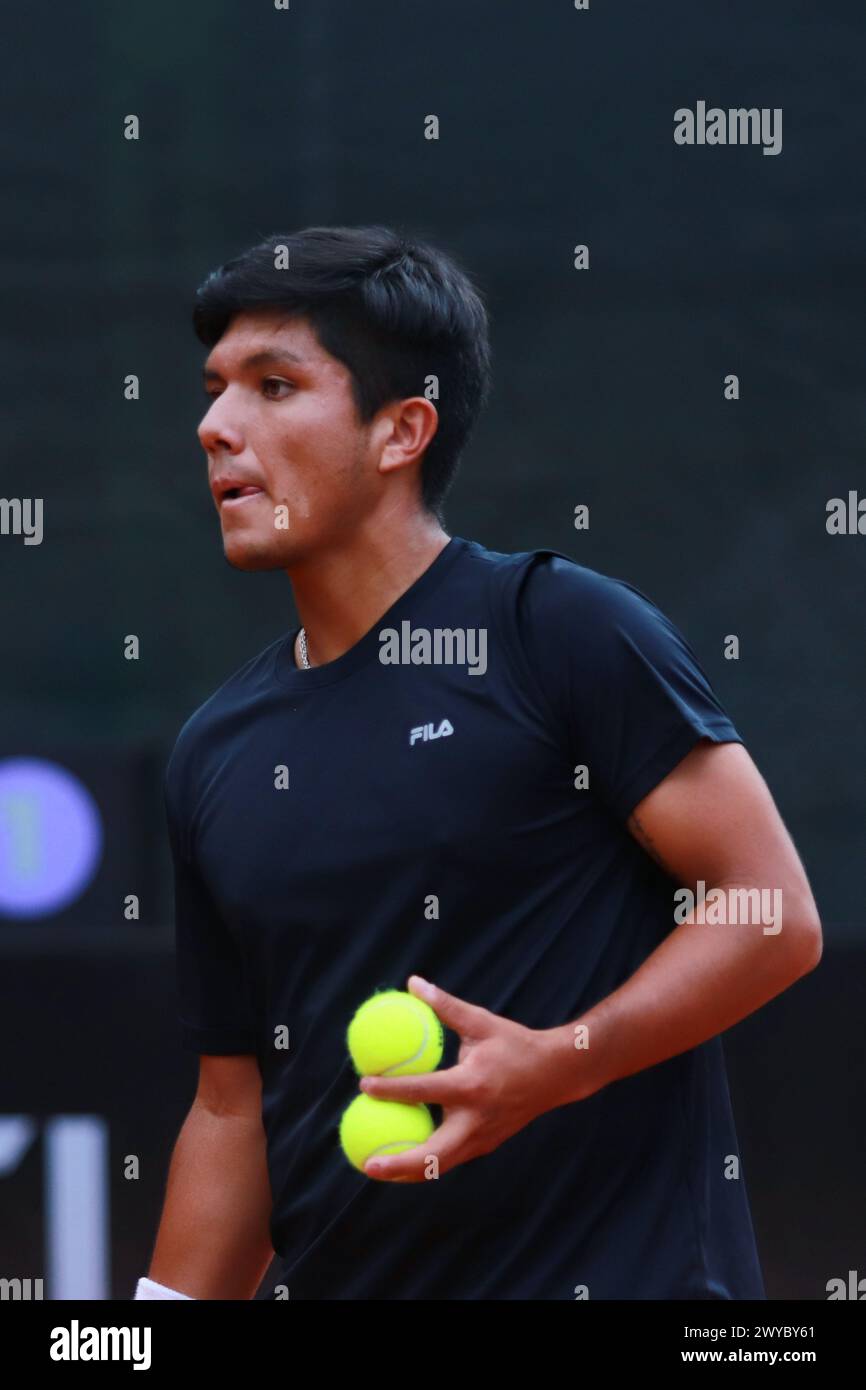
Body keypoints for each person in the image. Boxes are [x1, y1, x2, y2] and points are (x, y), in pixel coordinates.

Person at [136, 225, 821, 1301]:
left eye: (273, 386)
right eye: (215, 388)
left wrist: (563, 1059)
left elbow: (768, 910)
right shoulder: (217, 750)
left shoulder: (563, 631)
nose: (215, 426)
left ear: (401, 429)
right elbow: (232, 1108)